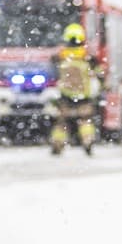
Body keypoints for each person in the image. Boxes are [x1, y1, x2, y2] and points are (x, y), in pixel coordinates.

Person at [49, 21, 100, 156]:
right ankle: (87, 141)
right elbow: (98, 73)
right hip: (84, 97)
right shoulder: (87, 57)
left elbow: (53, 73)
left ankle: (57, 143)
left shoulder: (60, 56)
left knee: (61, 123)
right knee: (85, 121)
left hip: (65, 96)